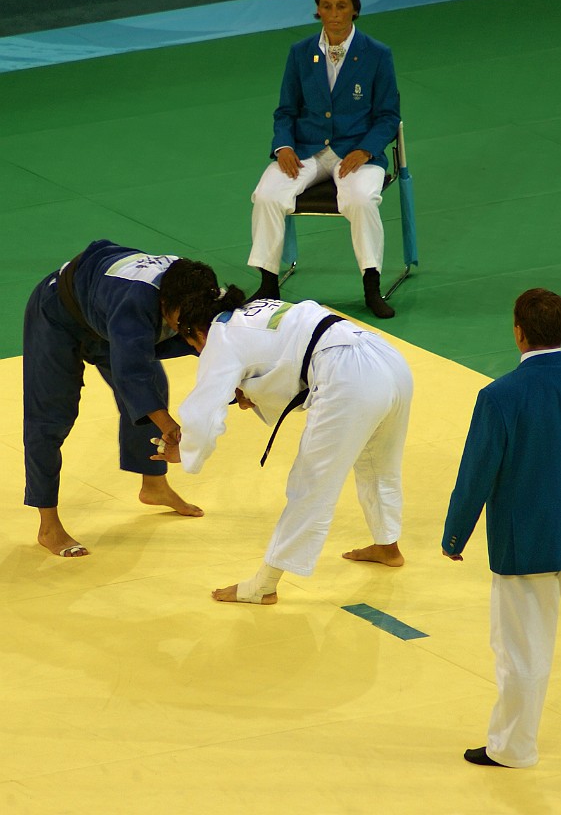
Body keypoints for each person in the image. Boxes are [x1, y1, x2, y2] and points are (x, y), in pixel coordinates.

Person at [151, 262, 413, 604]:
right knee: (379, 461)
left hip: (347, 374)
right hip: (386, 358)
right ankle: (387, 545)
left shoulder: (220, 336)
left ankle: (263, 585)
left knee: (311, 483)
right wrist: (252, 394)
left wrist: (184, 451)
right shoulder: (254, 311)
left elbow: (203, 413)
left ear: (187, 325)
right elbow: (290, 364)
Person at [23, 239, 207, 559]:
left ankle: (153, 487)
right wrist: (171, 429)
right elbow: (131, 375)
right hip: (57, 314)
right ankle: (48, 525)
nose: (186, 332)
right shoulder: (137, 304)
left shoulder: (199, 293)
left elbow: (219, 348)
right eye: (182, 326)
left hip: (101, 313)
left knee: (154, 388)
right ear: (164, 304)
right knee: (50, 418)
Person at [442, 288, 561, 768]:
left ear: (519, 332)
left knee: (523, 652)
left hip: (527, 543)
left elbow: (476, 474)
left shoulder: (500, 396)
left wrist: (455, 536)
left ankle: (513, 748)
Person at [247, 0, 400, 319]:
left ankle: (371, 285)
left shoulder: (377, 55)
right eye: (327, 6)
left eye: (341, 6)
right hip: (307, 149)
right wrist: (283, 146)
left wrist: (365, 150)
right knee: (267, 194)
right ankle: (268, 282)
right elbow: (286, 110)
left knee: (360, 199)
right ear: (318, 10)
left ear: (355, 10)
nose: (334, 13)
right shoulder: (300, 53)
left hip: (358, 152)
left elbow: (388, 116)